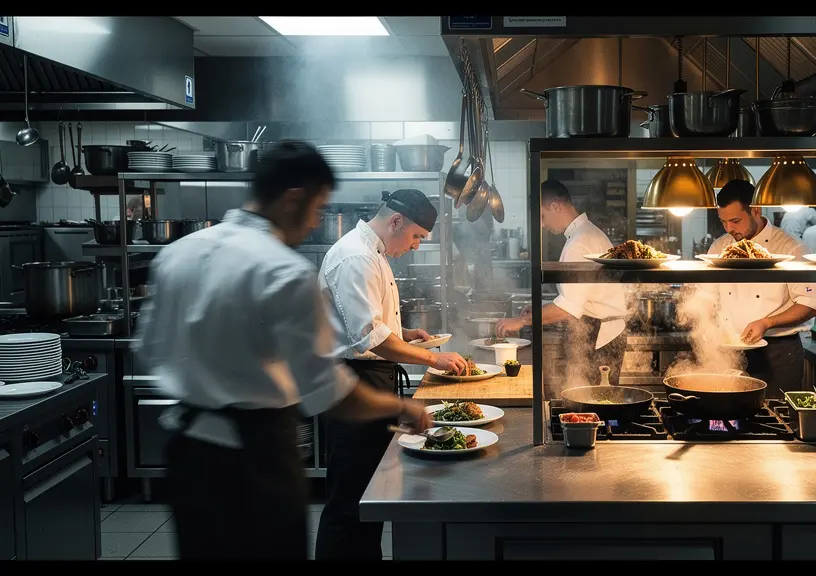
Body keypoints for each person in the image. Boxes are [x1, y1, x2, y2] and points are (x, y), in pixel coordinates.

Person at [134, 140, 431, 561]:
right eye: (316, 209)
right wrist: (400, 409)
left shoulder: (177, 254)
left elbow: (149, 350)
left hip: (188, 453)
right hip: (257, 456)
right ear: (294, 199)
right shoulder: (284, 272)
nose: (314, 223)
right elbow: (329, 393)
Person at [316, 188, 468, 561]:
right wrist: (431, 359)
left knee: (369, 494)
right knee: (349, 500)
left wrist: (405, 334)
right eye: (416, 236)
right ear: (396, 221)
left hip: (367, 378)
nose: (416, 246)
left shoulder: (372, 253)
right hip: (353, 384)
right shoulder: (356, 256)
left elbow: (369, 327)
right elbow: (368, 338)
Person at [494, 179, 628, 386]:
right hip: (601, 331)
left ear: (555, 206)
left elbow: (568, 308)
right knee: (592, 403)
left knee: (596, 405)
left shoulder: (579, 242)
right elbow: (577, 297)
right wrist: (540, 308)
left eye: (543, 216)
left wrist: (521, 321)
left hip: (600, 336)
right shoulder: (586, 233)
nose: (542, 224)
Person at [701, 180, 816, 398]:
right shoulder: (719, 247)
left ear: (755, 210)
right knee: (729, 415)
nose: (729, 229)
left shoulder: (791, 247)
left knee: (776, 421)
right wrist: (706, 325)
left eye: (735, 221)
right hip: (730, 350)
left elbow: (810, 305)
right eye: (723, 222)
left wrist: (767, 322)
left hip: (778, 353)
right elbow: (706, 297)